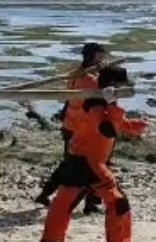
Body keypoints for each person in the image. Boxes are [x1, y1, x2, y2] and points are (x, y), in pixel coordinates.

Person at [38, 65, 148, 242]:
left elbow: (118, 124)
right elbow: (107, 128)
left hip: (76, 158)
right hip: (90, 162)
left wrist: (138, 126)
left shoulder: (99, 102)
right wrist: (113, 104)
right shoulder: (95, 104)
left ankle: (51, 240)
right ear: (114, 85)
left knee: (63, 202)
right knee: (118, 202)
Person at [34, 42, 108, 214]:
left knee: (71, 164)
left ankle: (48, 194)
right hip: (84, 128)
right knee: (95, 164)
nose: (103, 59)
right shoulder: (89, 79)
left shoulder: (75, 74)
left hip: (71, 124)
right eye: (101, 56)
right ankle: (88, 203)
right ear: (96, 56)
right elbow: (103, 97)